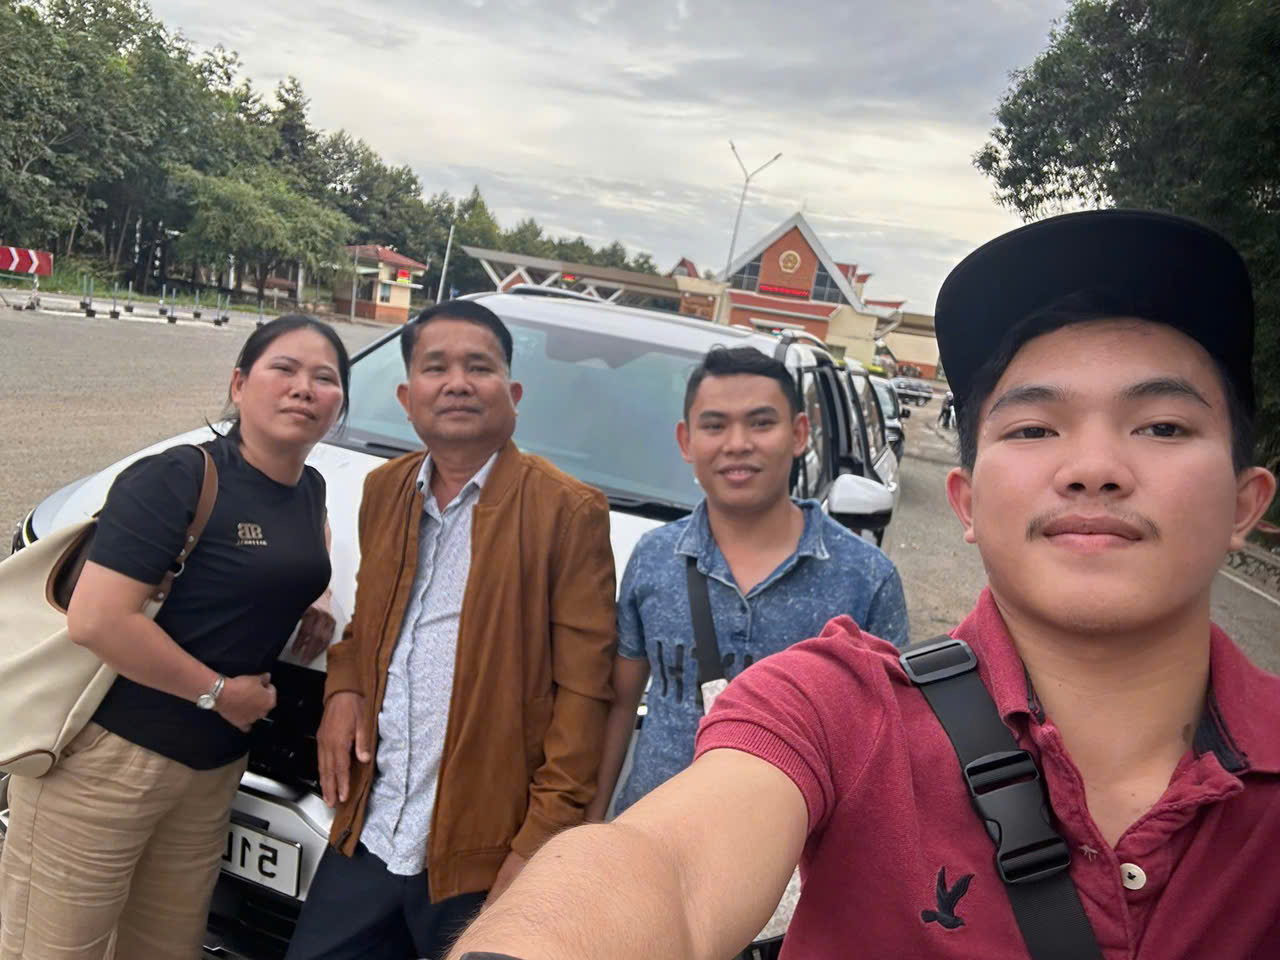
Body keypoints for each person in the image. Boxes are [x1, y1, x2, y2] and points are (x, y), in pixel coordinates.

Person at [444, 210, 1279, 960]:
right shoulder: (835, 706)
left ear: (1247, 503)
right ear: (967, 502)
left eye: (1161, 425)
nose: (1094, 467)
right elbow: (663, 866)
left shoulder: (862, 572)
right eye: (1034, 428)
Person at [0, 315, 350, 960]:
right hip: (108, 762)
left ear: (338, 405)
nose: (304, 387)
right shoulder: (177, 477)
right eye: (284, 369)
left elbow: (308, 544)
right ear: (239, 384)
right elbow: (98, 619)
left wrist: (318, 598)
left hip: (211, 775)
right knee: (52, 949)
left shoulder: (310, 489)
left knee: (166, 948)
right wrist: (219, 693)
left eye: (324, 378)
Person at [284, 300, 616, 960]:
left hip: (484, 855)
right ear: (407, 398)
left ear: (512, 396)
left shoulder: (567, 512)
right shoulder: (385, 489)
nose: (457, 383)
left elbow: (584, 697)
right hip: (372, 829)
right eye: (436, 368)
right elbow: (369, 624)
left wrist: (537, 846)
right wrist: (343, 687)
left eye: (479, 367)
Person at [588, 346, 907, 829]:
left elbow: (887, 741)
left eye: (761, 423)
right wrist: (593, 826)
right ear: (686, 440)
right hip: (650, 837)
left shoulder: (865, 578)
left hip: (792, 853)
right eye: (715, 426)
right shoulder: (654, 556)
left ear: (799, 434)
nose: (737, 444)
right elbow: (620, 703)